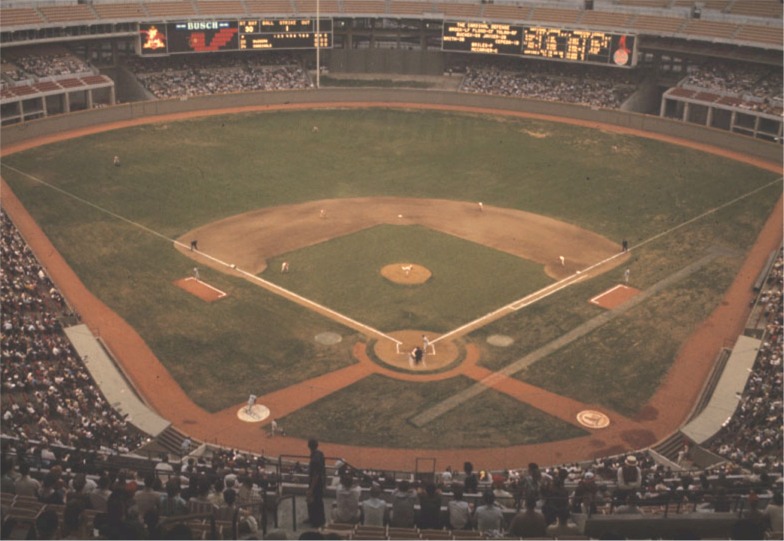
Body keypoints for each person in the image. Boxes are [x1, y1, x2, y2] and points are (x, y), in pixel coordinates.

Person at [306, 438, 326, 527]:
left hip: (316, 483)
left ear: (309, 446)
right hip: (320, 481)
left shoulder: (314, 459)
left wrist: (311, 488)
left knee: (315, 501)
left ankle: (317, 521)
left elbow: (315, 475)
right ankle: (314, 519)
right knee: (316, 501)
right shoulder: (320, 454)